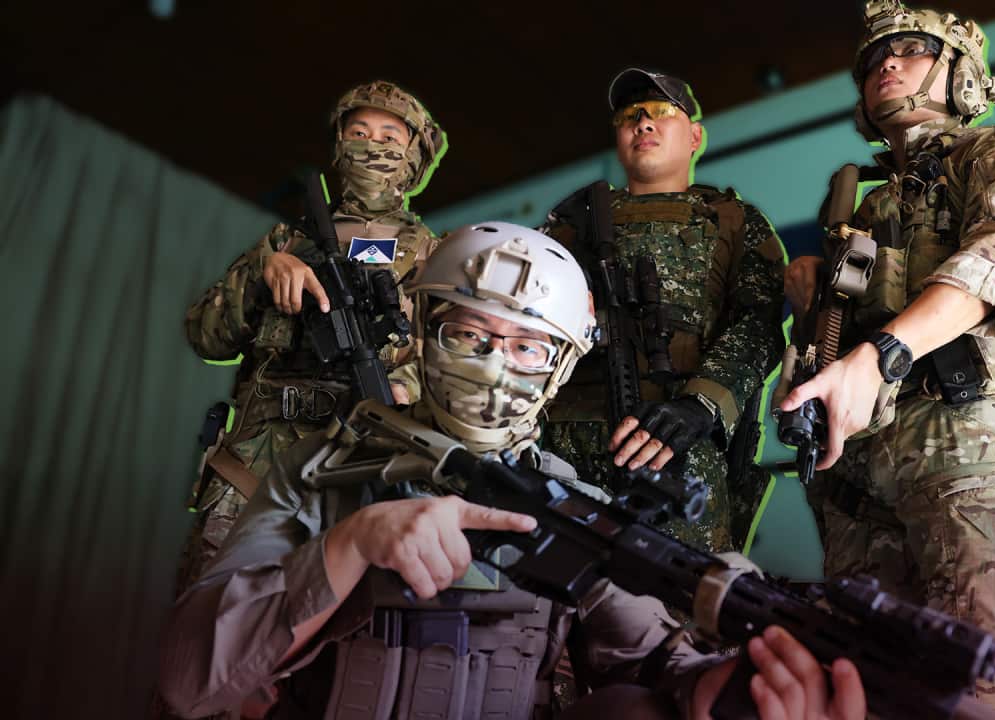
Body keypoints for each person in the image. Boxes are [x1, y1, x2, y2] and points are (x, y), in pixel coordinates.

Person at [158, 222, 865, 720]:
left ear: (562, 367)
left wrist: (734, 693)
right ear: (426, 330)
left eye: (529, 347)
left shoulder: (571, 505)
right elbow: (191, 681)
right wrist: (352, 543)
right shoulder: (316, 471)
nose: (496, 363)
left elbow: (657, 662)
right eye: (469, 333)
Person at [778, 2, 995, 719]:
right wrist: (813, 307)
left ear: (960, 75)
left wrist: (879, 357)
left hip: (973, 449)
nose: (886, 62)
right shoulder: (864, 213)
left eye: (910, 49)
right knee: (875, 682)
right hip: (863, 476)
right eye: (874, 57)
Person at [177, 80, 447, 596]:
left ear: (415, 157)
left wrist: (406, 385)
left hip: (360, 470)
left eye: (391, 136)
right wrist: (262, 273)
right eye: (359, 131)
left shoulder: (434, 254)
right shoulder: (284, 241)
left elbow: (449, 358)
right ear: (340, 144)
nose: (373, 144)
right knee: (208, 622)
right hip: (254, 467)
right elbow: (206, 337)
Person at [539, 68, 787, 552]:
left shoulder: (732, 220)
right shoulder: (574, 225)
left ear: (694, 136)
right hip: (564, 447)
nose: (644, 123)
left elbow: (759, 326)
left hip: (675, 446)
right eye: (631, 116)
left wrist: (701, 404)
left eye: (662, 113)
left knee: (675, 607)